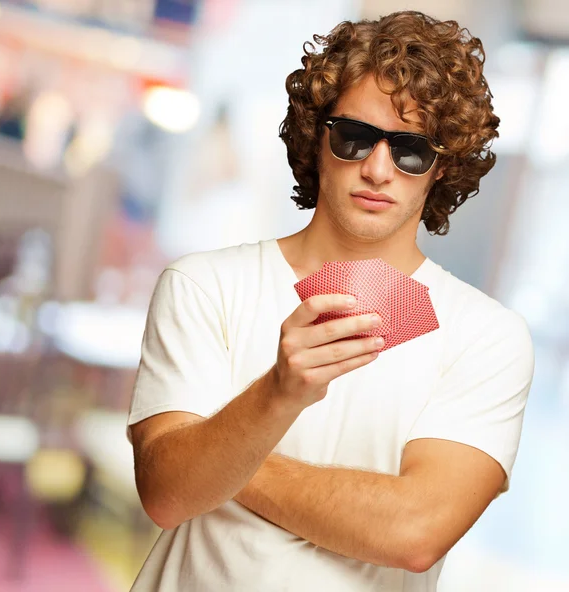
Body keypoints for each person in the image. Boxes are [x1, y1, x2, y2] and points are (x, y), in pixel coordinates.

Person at [127, 10, 535, 591]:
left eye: (410, 150)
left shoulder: (487, 336)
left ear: (440, 167)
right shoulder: (203, 285)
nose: (377, 169)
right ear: (316, 137)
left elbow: (414, 533)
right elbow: (167, 495)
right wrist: (278, 395)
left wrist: (223, 462)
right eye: (355, 137)